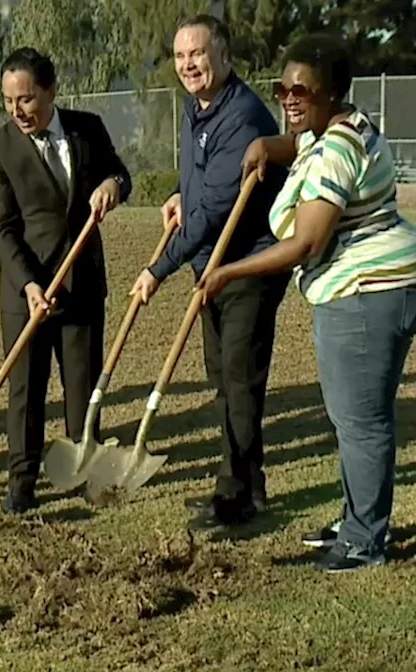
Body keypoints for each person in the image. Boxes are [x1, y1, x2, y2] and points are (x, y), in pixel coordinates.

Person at [196, 34, 416, 572]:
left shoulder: (336, 150)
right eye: (282, 88)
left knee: (361, 421)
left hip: (369, 291)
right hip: (378, 283)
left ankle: (363, 539)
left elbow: (306, 243)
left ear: (332, 92)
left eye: (301, 90)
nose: (288, 99)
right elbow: (297, 143)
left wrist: (227, 270)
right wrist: (267, 147)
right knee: (353, 416)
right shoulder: (337, 126)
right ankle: (357, 519)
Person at [128, 15, 289, 530]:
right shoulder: (197, 111)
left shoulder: (240, 116)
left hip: (246, 264)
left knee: (238, 381)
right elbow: (199, 181)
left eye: (197, 54)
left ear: (223, 56)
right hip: (213, 267)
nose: (188, 65)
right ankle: (250, 483)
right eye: (179, 57)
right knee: (225, 380)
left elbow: (218, 209)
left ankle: (234, 497)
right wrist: (181, 192)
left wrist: (158, 268)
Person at [0, 47, 132, 514]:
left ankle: (87, 470)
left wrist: (114, 185)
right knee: (26, 391)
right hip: (26, 293)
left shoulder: (88, 128)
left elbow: (119, 172)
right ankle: (22, 481)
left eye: (26, 99)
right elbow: (0, 228)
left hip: (82, 285)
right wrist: (28, 284)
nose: (17, 110)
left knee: (83, 389)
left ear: (50, 91)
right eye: (8, 101)